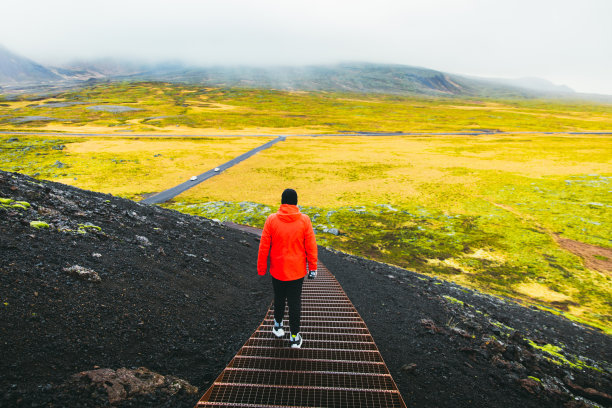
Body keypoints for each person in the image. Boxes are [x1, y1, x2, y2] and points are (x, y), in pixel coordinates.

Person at [257, 188, 318, 348]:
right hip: (297, 272)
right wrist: (313, 268)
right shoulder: (305, 220)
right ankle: (294, 337)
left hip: (277, 270)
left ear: (282, 201)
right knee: (294, 303)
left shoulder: (271, 220)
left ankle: (278, 327)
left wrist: (262, 268)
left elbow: (264, 246)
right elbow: (311, 246)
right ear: (296, 202)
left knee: (279, 298)